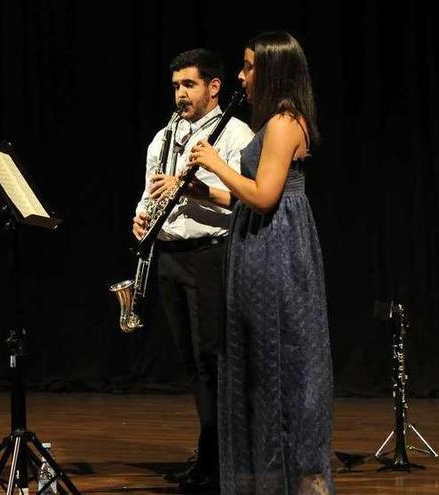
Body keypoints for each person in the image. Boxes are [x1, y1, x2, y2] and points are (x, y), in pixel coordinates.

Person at [188, 31, 335, 494]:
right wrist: (199, 191)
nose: (241, 75)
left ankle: (294, 479)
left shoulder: (284, 122)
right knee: (259, 364)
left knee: (278, 364)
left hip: (276, 249)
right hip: (262, 241)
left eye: (248, 66)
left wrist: (214, 162)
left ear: (271, 69)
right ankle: (271, 479)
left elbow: (266, 197)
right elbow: (244, 198)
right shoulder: (274, 120)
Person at [132, 48, 253, 492]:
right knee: (191, 363)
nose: (180, 94)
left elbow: (244, 200)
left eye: (189, 85)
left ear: (213, 87)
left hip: (210, 257)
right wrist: (141, 215)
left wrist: (195, 189)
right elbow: (149, 191)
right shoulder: (164, 136)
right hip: (169, 257)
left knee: (213, 362)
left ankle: (218, 462)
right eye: (176, 86)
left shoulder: (235, 134)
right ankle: (208, 457)